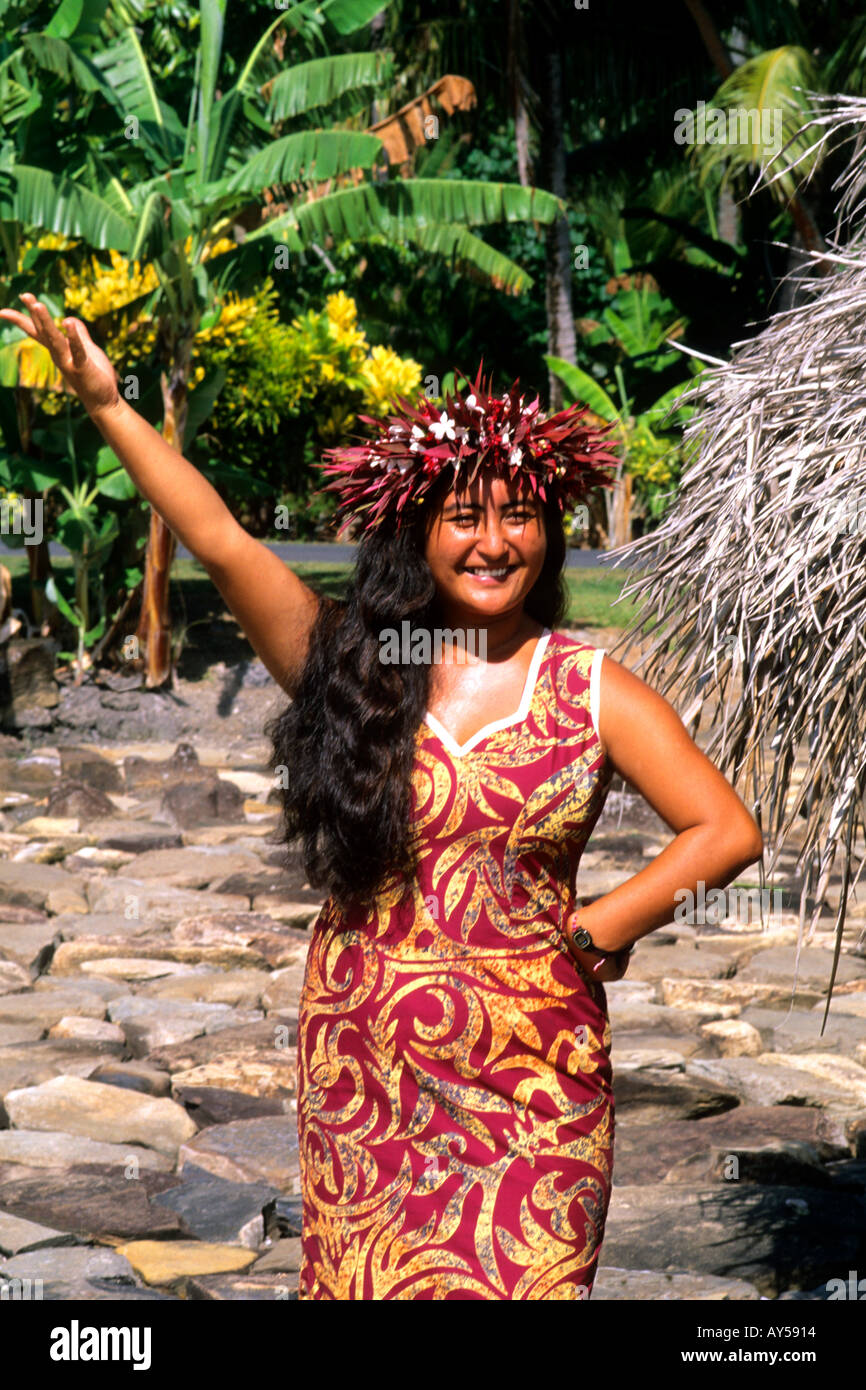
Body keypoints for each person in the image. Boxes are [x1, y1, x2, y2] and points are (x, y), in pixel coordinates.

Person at [1, 297, 763, 1301]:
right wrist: (108, 403)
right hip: (372, 1073)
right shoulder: (354, 666)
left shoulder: (591, 689)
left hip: (533, 1078)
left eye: (519, 516)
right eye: (464, 518)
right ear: (418, 532)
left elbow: (723, 829)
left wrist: (600, 926)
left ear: (550, 531)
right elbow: (222, 540)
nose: (494, 542)